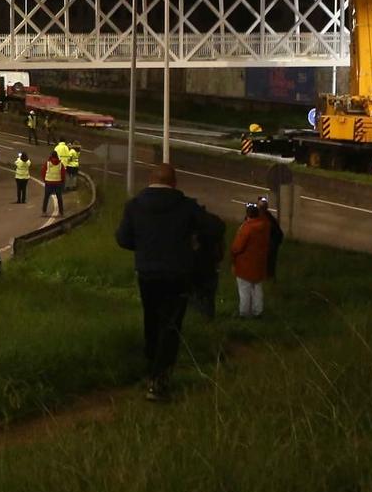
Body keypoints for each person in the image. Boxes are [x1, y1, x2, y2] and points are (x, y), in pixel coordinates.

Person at [116, 164, 209, 401]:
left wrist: (145, 247)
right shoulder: (186, 206)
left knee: (151, 320)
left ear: (150, 180)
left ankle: (151, 369)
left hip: (147, 274)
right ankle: (159, 380)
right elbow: (213, 228)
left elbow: (123, 239)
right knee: (170, 325)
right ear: (174, 183)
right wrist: (193, 246)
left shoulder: (134, 205)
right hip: (177, 274)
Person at [230, 203, 272, 318]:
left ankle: (244, 313)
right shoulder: (265, 226)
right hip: (259, 264)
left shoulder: (247, 228)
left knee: (244, 290)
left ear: (247, 215)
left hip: (245, 264)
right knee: (257, 289)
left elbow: (237, 247)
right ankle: (258, 311)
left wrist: (233, 258)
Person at [260, 196, 284, 281]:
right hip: (271, 245)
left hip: (269, 245)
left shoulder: (265, 219)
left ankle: (268, 277)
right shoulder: (270, 218)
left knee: (268, 264)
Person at [39, 150, 67, 219]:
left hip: (49, 183)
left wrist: (45, 180)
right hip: (58, 183)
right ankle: (61, 212)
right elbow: (63, 174)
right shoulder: (60, 164)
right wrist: (62, 182)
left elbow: (43, 172)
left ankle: (44, 212)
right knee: (59, 198)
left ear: (51, 156)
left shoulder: (47, 163)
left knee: (46, 198)